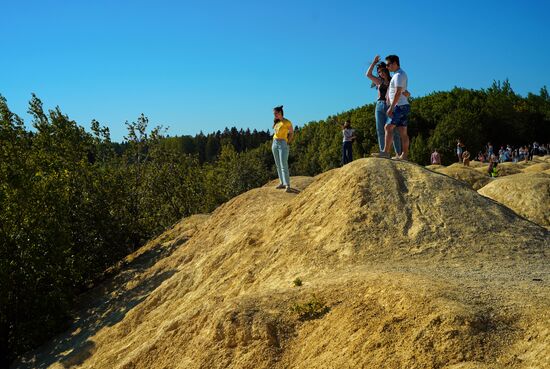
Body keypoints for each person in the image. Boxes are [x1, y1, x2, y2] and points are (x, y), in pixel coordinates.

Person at [372, 55, 411, 160]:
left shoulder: (398, 75)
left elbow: (398, 92)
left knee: (387, 127)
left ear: (395, 63)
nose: (387, 67)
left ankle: (385, 152)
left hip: (399, 106)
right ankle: (404, 155)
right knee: (403, 132)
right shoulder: (400, 74)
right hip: (403, 105)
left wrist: (392, 107)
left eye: (388, 64)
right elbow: (403, 91)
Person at [366, 55, 403, 156]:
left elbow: (401, 90)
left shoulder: (393, 80)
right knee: (380, 130)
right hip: (379, 106)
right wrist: (373, 63)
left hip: (390, 106)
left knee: (393, 130)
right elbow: (368, 74)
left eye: (382, 71)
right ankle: (384, 152)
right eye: (379, 72)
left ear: (386, 70)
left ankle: (398, 153)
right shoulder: (379, 81)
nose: (380, 73)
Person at [272, 105, 294, 192]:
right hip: (274, 143)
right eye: (274, 114)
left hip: (283, 143)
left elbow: (291, 133)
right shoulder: (276, 122)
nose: (275, 115)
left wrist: (288, 142)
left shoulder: (287, 122)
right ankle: (281, 183)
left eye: (276, 113)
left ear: (280, 112)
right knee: (278, 164)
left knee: (284, 164)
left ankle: (287, 185)